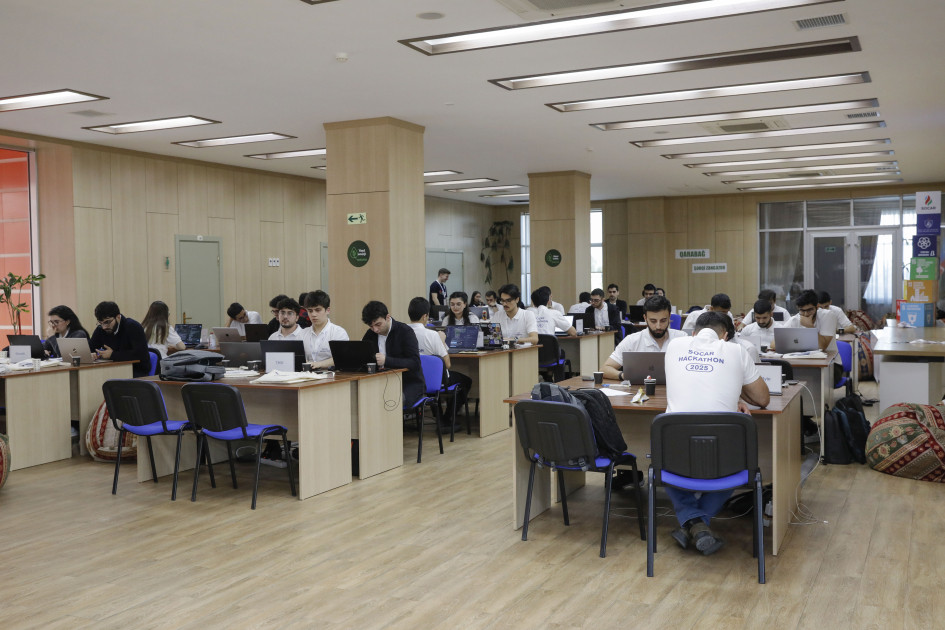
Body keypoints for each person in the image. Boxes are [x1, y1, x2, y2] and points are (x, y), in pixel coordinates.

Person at [663, 311, 770, 555]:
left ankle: (692, 523)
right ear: (725, 336)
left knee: (662, 457)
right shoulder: (736, 351)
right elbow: (762, 399)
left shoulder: (674, 346)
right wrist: (735, 394)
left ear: (693, 333)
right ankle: (698, 524)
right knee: (737, 463)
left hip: (675, 455)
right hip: (723, 457)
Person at [407, 297, 471, 428]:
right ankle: (448, 418)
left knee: (430, 383)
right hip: (435, 380)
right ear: (425, 316)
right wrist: (441, 340)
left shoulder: (402, 333)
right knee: (466, 381)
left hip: (413, 380)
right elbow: (447, 364)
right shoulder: (432, 335)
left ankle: (440, 418)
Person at [602, 295, 685, 380]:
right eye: (653, 321)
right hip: (641, 387)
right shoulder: (632, 341)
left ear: (669, 316)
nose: (658, 326)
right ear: (645, 318)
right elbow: (605, 369)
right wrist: (625, 375)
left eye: (663, 320)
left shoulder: (682, 338)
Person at [361, 300, 424, 406]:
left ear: (387, 317)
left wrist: (386, 360)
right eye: (371, 326)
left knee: (390, 401)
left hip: (408, 382)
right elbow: (363, 357)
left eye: (378, 324)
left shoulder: (405, 331)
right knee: (365, 399)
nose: (375, 330)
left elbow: (415, 362)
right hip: (380, 381)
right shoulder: (370, 334)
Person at [89, 301, 151, 377]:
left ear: (118, 317)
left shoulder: (133, 327)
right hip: (111, 370)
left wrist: (112, 355)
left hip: (135, 372)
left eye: (107, 322)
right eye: (100, 323)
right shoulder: (100, 329)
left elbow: (140, 355)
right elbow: (90, 348)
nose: (104, 327)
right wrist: (91, 354)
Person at [300, 290, 348, 368]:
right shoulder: (302, 333)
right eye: (310, 311)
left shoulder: (338, 332)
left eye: (318, 310)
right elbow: (298, 356)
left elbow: (341, 357)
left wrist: (318, 364)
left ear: (327, 310)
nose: (313, 314)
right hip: (307, 373)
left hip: (332, 374)